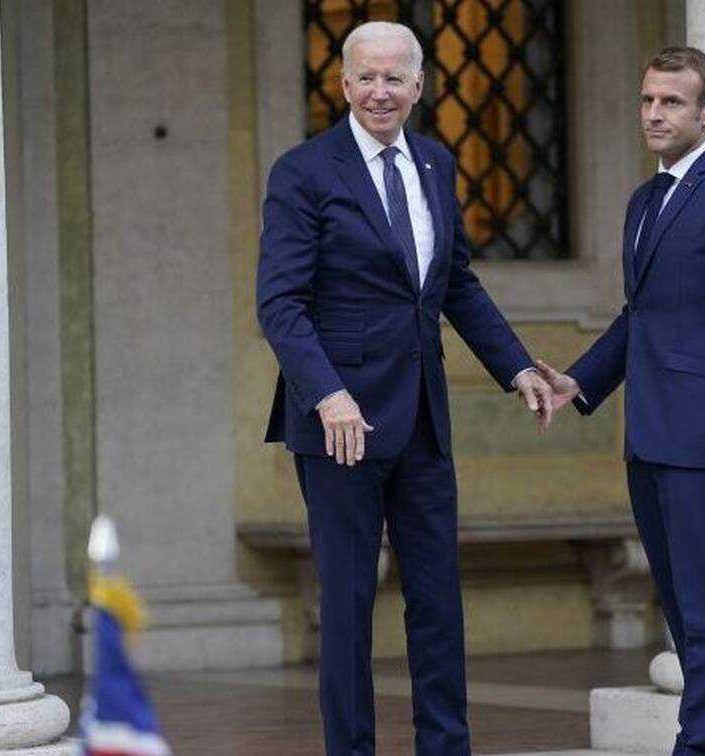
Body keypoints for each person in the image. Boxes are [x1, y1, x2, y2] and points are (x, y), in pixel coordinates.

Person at [255, 20, 553, 756]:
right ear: (343, 84)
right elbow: (280, 303)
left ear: (419, 86)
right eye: (366, 77)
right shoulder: (304, 172)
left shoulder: (435, 163)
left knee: (437, 600)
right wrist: (327, 394)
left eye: (394, 78)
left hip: (421, 415)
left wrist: (516, 367)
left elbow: (456, 284)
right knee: (349, 604)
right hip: (341, 425)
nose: (379, 91)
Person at [536, 46, 705, 756]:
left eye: (671, 102)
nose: (653, 113)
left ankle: (698, 744)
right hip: (648, 431)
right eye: (648, 99)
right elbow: (639, 317)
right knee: (682, 605)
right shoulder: (644, 201)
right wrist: (580, 381)